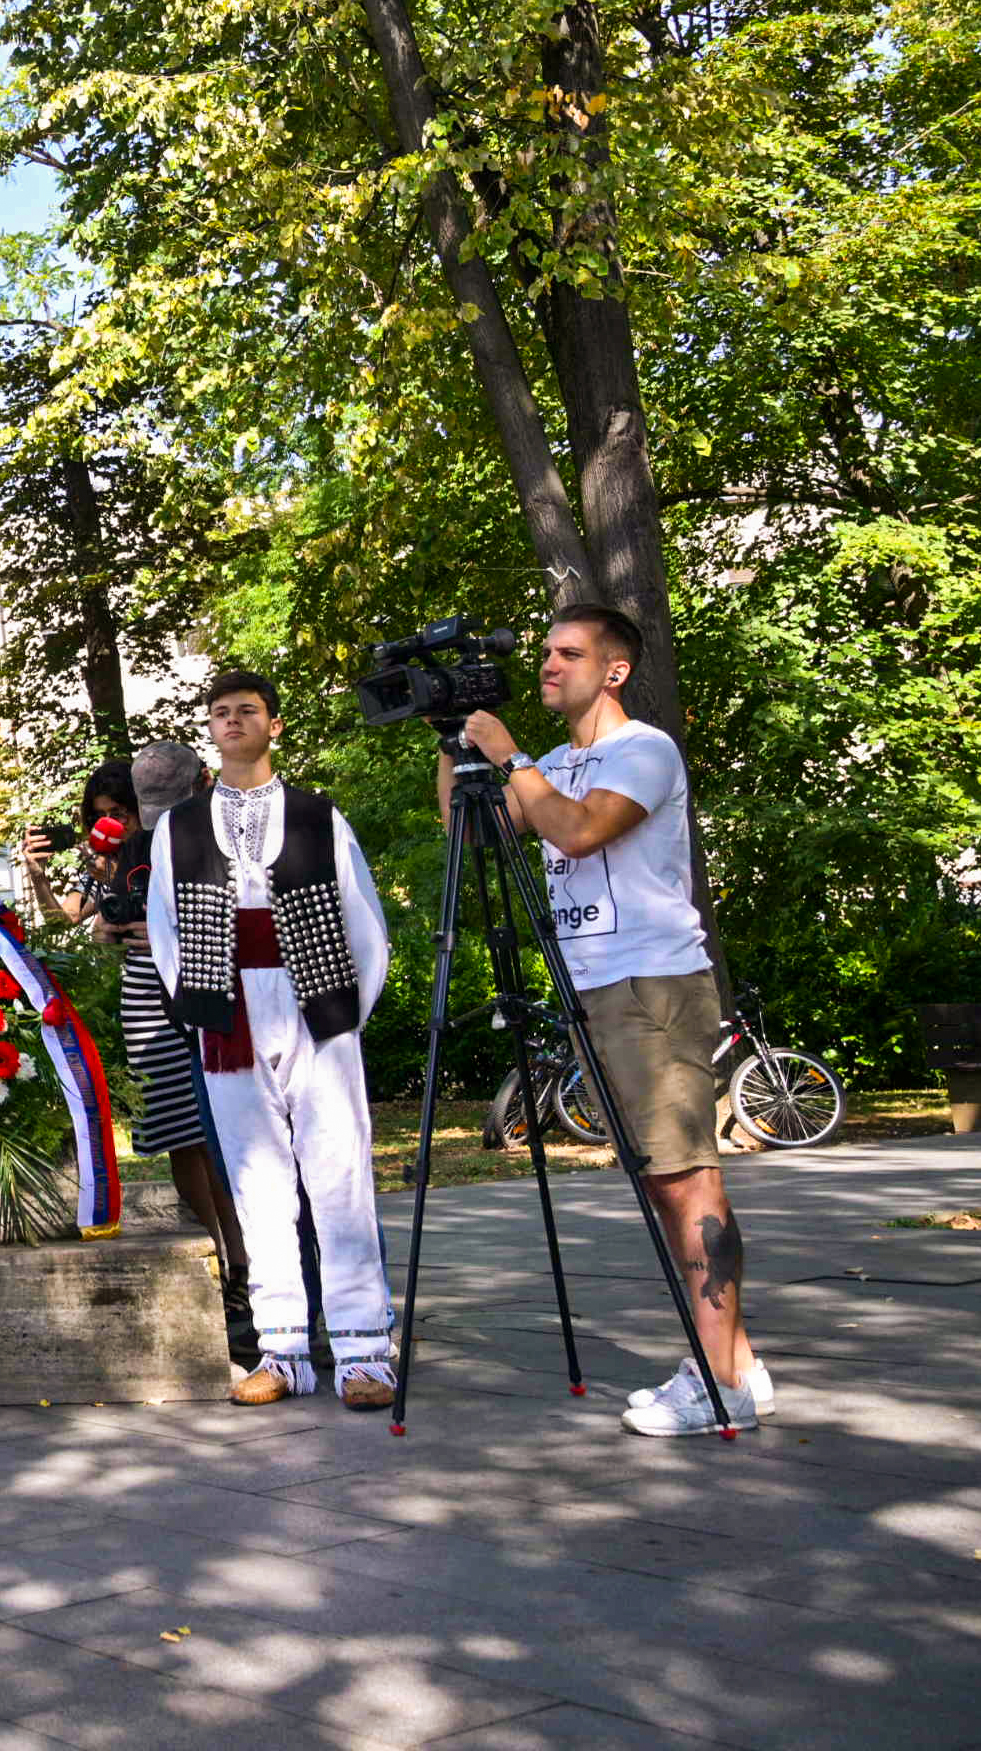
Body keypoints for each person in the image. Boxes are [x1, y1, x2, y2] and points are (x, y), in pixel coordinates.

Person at [455, 604, 770, 1436]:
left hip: (651, 983)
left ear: (615, 669)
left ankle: (721, 1380)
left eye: (568, 653)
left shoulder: (643, 750)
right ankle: (734, 1363)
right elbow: (473, 826)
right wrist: (454, 736)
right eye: (547, 653)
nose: (549, 666)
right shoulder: (555, 760)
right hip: (594, 984)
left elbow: (582, 830)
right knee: (658, 1178)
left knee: (684, 1174)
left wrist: (510, 754)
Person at [146, 672, 398, 1412]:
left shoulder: (320, 816)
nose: (230, 722)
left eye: (245, 711)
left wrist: (348, 1011)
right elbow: (166, 929)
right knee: (257, 1182)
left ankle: (363, 1351)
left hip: (315, 1000)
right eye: (220, 713)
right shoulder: (180, 826)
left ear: (274, 726)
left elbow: (364, 920)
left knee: (339, 1174)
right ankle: (283, 1348)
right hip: (226, 1009)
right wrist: (199, 1008)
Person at [24, 751, 256, 1366]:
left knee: (222, 1135)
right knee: (182, 1137)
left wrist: (166, 933)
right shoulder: (105, 864)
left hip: (202, 991)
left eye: (122, 811)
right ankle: (218, 1266)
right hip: (145, 1003)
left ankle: (248, 1265)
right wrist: (43, 879)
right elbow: (66, 922)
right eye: (101, 815)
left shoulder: (192, 841)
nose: (115, 824)